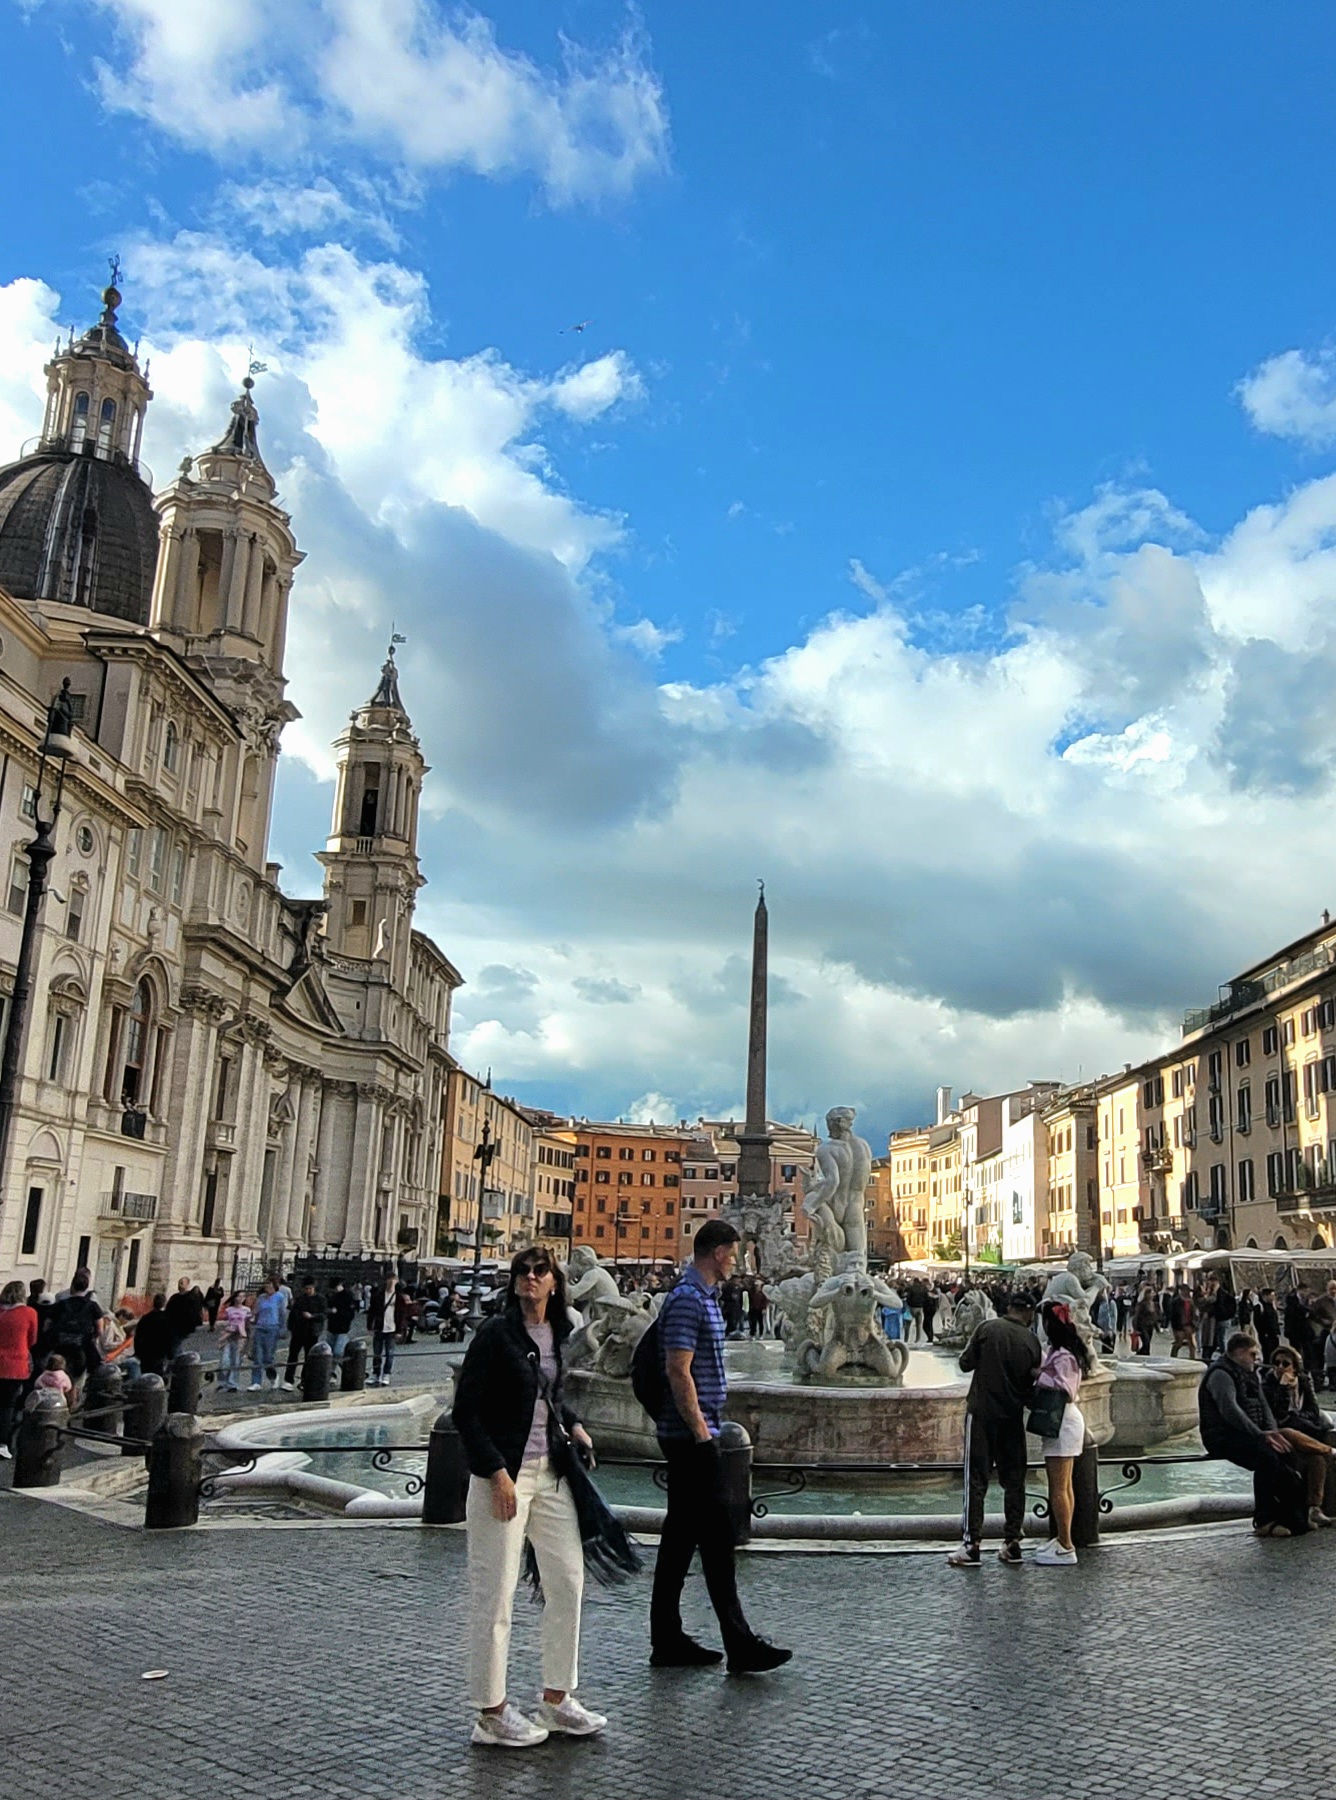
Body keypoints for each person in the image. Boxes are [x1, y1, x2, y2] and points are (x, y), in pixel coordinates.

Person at [452, 1247, 605, 1750]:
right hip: (506, 1475)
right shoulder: (495, 1335)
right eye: (522, 1271)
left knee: (567, 1580)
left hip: (551, 1473)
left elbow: (551, 1396)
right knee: (495, 1593)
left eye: (540, 1272)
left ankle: (557, 1699)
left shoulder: (558, 1334)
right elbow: (466, 1412)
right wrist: (496, 1473)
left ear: (555, 1282)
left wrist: (576, 1427)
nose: (530, 1278)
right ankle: (491, 1712)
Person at [650, 1220, 791, 1673]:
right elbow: (678, 1370)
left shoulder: (703, 1297)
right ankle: (738, 1643)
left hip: (693, 1432)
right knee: (715, 1540)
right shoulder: (689, 1300)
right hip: (692, 1437)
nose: (737, 1259)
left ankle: (671, 1639)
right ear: (715, 1252)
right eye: (732, 1252)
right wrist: (702, 1434)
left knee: (681, 1541)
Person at [948, 1290, 1041, 1568]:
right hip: (1012, 1417)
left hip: (982, 1413)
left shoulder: (987, 1328)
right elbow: (1032, 1385)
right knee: (1015, 1480)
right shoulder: (1032, 1341)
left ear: (1008, 1307)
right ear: (1029, 1314)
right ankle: (1012, 1542)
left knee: (975, 1479)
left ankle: (972, 1544)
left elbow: (964, 1364)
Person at [1199, 1332, 1308, 1537]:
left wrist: (1272, 1432)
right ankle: (1264, 1519)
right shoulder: (1221, 1374)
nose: (1256, 1359)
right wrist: (1261, 1435)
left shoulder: (1249, 1372)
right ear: (1239, 1353)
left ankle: (1294, 1518)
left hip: (1250, 1435)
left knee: (1287, 1455)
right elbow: (1230, 1411)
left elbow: (1263, 1405)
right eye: (1252, 1354)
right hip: (1222, 1436)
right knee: (1266, 1458)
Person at [1033, 1302, 1090, 1567]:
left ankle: (1066, 1545)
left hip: (1062, 1420)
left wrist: (1039, 1377)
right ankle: (1062, 1538)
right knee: (1063, 1486)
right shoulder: (1062, 1351)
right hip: (1065, 1421)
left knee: (1058, 1488)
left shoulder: (1065, 1355)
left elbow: (1064, 1389)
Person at [1262, 1345, 1336, 1529]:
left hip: (1305, 1435)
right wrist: (1283, 1388)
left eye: (1285, 1363)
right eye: (1276, 1363)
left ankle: (1314, 1508)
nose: (1280, 1367)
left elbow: (1313, 1412)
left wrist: (1295, 1418)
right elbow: (1278, 1415)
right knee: (1287, 1431)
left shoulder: (1303, 1382)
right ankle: (1331, 1450)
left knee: (1317, 1460)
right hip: (1282, 1436)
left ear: (1295, 1366)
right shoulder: (1268, 1385)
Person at [0, 1279, 39, 1456]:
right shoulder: (29, 1313)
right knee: (8, 1406)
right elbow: (32, 1339)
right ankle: (3, 1444)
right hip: (16, 1366)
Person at [45, 1270, 102, 1386]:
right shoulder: (93, 1306)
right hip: (81, 1349)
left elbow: (46, 1326)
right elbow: (100, 1330)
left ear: (72, 1286)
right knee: (78, 1381)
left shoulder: (60, 1304)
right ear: (87, 1287)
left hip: (60, 1348)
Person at [282, 1280, 326, 1389]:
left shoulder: (320, 1300)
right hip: (298, 1331)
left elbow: (324, 1315)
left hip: (312, 1332)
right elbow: (293, 1314)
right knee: (293, 1356)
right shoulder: (300, 1299)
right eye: (306, 1289)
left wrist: (312, 1316)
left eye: (310, 1288)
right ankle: (288, 1380)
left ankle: (305, 1380)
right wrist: (291, 1327)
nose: (308, 1291)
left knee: (309, 1357)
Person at [366, 1273, 406, 1386]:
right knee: (377, 1353)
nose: (391, 1283)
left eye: (393, 1280)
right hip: (379, 1327)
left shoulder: (399, 1297)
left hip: (392, 1328)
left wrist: (400, 1330)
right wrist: (370, 1326)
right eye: (389, 1280)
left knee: (390, 1353)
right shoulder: (378, 1295)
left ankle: (386, 1374)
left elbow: (402, 1315)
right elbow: (372, 1311)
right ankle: (376, 1373)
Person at [249, 1279, 287, 1391]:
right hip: (260, 1327)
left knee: (268, 1357)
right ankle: (256, 1382)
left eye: (269, 1284)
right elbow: (256, 1311)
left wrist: (282, 1329)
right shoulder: (261, 1297)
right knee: (257, 1356)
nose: (267, 1287)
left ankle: (273, 1376)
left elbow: (282, 1313)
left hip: (272, 1328)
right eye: (266, 1284)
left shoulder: (279, 1297)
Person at [163, 1276, 206, 1357]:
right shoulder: (175, 1297)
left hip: (182, 1327)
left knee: (175, 1346)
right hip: (173, 1327)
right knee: (175, 1345)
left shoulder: (190, 1297)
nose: (180, 1285)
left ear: (187, 1285)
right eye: (179, 1283)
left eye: (182, 1283)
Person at [216, 1293, 251, 1393]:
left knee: (236, 1361)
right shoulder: (229, 1310)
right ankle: (222, 1382)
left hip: (240, 1336)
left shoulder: (246, 1310)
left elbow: (248, 1324)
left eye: (242, 1296)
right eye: (238, 1296)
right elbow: (225, 1323)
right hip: (229, 1336)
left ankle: (233, 1383)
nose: (240, 1298)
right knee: (224, 1361)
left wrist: (246, 1337)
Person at [133, 1294, 172, 1378]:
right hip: (160, 1353)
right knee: (157, 1378)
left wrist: (137, 1352)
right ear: (164, 1304)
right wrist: (170, 1353)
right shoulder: (167, 1319)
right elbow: (170, 1338)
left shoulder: (145, 1318)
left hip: (146, 1352)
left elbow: (138, 1336)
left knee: (145, 1377)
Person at [326, 1280, 357, 1362]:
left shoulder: (348, 1296)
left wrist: (338, 1312)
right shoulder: (332, 1296)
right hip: (332, 1326)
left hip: (343, 1327)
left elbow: (350, 1313)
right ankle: (332, 1370)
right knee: (330, 1352)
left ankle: (340, 1368)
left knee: (338, 1352)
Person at [1169, 1286, 1196, 1358]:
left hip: (1188, 1324)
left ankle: (1192, 1358)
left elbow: (1193, 1314)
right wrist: (1176, 1327)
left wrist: (1193, 1324)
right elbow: (1173, 1315)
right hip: (1179, 1326)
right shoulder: (1176, 1302)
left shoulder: (1190, 1302)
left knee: (1191, 1344)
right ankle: (1173, 1357)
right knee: (1178, 1343)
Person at [1132, 1283, 1159, 1357]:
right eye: (1150, 1293)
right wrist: (1135, 1328)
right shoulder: (1141, 1304)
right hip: (1143, 1326)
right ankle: (1140, 1355)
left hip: (1150, 1326)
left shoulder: (1153, 1304)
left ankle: (1146, 1354)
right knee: (1146, 1342)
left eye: (1153, 1293)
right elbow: (1136, 1316)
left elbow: (1155, 1316)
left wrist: (1157, 1327)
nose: (1152, 1295)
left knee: (1148, 1343)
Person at [1256, 1289, 1281, 1363]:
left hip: (1274, 1334)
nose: (1273, 1297)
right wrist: (1263, 1332)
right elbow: (1257, 1322)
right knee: (1268, 1352)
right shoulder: (1260, 1307)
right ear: (1265, 1296)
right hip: (1266, 1335)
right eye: (1271, 1295)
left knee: (1275, 1351)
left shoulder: (1271, 1306)